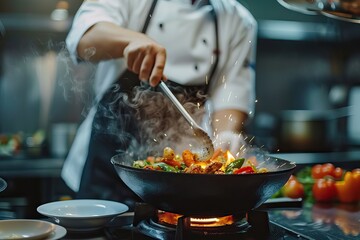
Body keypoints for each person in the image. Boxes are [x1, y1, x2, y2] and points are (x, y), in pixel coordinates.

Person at [62, 0, 257, 209]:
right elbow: (83, 38)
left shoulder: (239, 21)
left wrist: (225, 134)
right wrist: (132, 40)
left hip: (177, 186)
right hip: (104, 170)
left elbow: (231, 92)